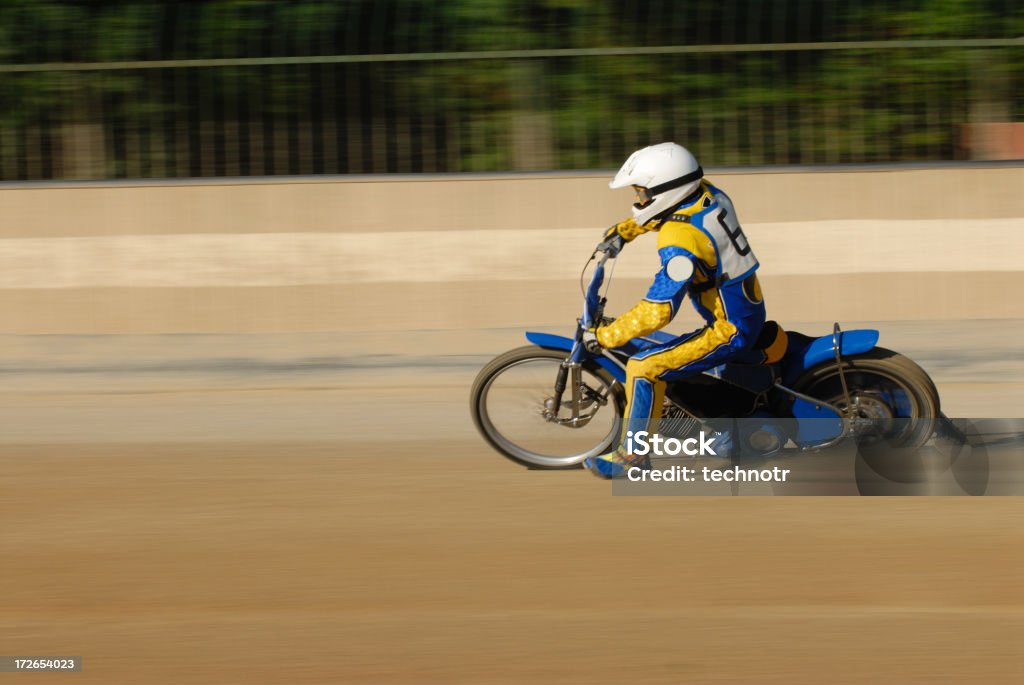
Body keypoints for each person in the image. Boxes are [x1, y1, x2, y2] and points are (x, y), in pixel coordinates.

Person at [582, 142, 774, 478]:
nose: (639, 199)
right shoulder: (708, 193)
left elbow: (658, 310)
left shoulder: (678, 241)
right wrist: (626, 231)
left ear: (666, 189)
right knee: (657, 346)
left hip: (728, 329)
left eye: (642, 193)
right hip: (747, 307)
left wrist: (609, 335)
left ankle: (633, 459)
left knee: (643, 366)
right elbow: (674, 212)